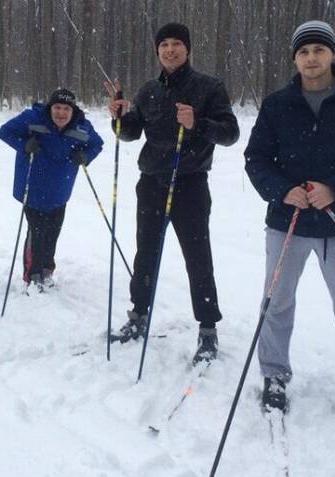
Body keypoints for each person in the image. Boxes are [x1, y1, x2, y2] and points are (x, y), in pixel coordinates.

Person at [244, 21, 335, 428]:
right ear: (295, 59)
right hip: (287, 221)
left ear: (333, 54)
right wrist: (282, 190)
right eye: (304, 52)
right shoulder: (277, 104)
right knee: (276, 302)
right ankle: (274, 375)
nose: (311, 58)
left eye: (319, 50)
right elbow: (256, 158)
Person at [104, 22, 240, 365]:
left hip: (190, 184)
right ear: (157, 50)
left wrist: (198, 123)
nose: (169, 50)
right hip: (151, 182)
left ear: (188, 49)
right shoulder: (150, 90)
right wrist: (118, 116)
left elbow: (231, 133)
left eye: (176, 44)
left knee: (197, 256)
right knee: (145, 252)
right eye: (163, 44)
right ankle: (139, 314)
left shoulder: (209, 87)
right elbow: (131, 132)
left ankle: (207, 328)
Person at [0, 88, 104, 292]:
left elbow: (97, 145)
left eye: (66, 108)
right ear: (50, 107)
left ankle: (47, 270)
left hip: (60, 191)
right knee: (37, 233)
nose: (61, 113)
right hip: (33, 188)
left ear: (73, 111)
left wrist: (85, 156)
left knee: (52, 233)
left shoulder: (82, 127)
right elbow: (4, 132)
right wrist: (24, 144)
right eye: (57, 107)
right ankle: (32, 273)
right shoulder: (33, 118)